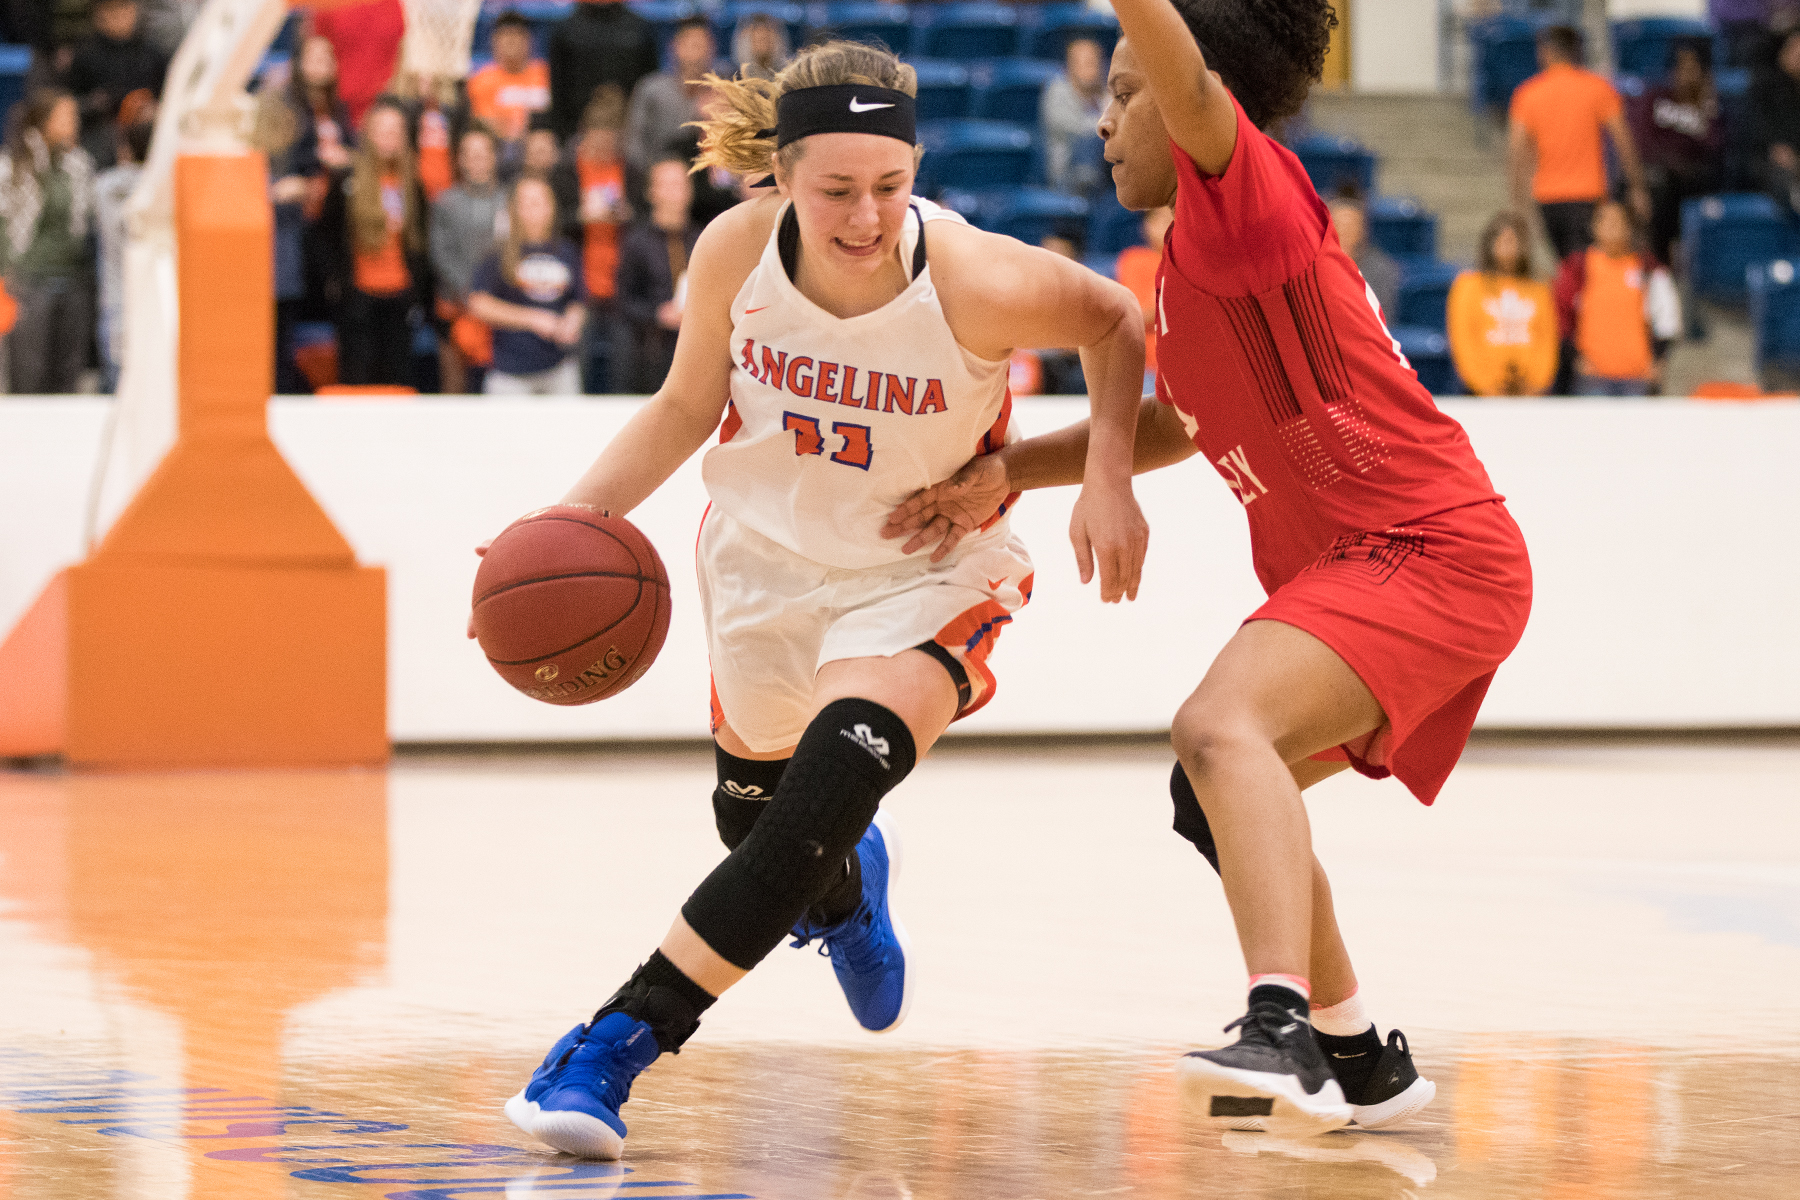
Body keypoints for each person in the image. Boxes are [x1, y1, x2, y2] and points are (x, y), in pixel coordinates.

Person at [492, 39, 1147, 1161]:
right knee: (756, 831)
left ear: (915, 169)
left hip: (923, 573)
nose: (865, 216)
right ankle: (845, 895)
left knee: (825, 786)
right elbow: (683, 405)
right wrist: (555, 531)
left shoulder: (976, 275)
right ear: (781, 173)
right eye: (837, 191)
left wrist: (1099, 475)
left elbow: (1115, 322)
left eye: (889, 187)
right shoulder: (735, 250)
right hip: (764, 565)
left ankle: (614, 1043)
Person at [886, 0, 1532, 1138]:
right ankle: (1357, 1051)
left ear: (1195, 101)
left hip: (1427, 550)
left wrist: (1157, 40)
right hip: (1371, 562)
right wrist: (1009, 474)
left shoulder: (1248, 195)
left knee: (1220, 729)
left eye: (1128, 92)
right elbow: (1178, 421)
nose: (1105, 120)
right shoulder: (1195, 261)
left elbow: (1184, 71)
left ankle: (1275, 1021)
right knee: (1217, 791)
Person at [1508, 25, 1651, 260]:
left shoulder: (1527, 93)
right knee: (1585, 268)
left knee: (1567, 266)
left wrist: (1518, 204)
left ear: (1544, 51)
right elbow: (1623, 141)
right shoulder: (1598, 88)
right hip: (1588, 195)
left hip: (1547, 197)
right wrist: (1637, 187)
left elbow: (1516, 154)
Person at [1, 88, 96, 394]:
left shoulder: (79, 165)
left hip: (72, 280)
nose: (74, 122)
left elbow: (81, 225)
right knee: (29, 373)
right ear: (43, 121)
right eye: (66, 115)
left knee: (67, 374)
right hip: (30, 282)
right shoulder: (13, 166)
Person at [336, 99, 427, 387]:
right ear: (368, 134)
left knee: (398, 382)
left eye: (397, 130)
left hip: (400, 298)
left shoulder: (413, 183)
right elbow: (328, 235)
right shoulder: (347, 180)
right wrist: (336, 284)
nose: (391, 137)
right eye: (383, 130)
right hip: (358, 298)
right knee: (359, 382)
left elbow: (420, 241)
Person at [468, 175, 585, 394]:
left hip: (559, 368)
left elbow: (578, 300)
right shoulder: (498, 254)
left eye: (541, 202)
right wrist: (533, 319)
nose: (535, 210)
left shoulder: (567, 251)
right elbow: (478, 303)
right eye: (528, 203)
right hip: (509, 373)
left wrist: (572, 322)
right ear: (514, 209)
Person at [1553, 199, 1681, 397]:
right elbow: (1561, 315)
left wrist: (1659, 360)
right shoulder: (1579, 267)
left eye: (1619, 220)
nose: (1612, 226)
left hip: (1637, 375)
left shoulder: (1647, 268)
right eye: (1606, 220)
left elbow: (1666, 316)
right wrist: (1575, 357)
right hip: (1593, 375)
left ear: (1629, 228)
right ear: (1594, 227)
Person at [1629, 39, 1724, 266]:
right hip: (1661, 177)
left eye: (1693, 67)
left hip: (1695, 180)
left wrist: (1707, 105)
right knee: (1658, 185)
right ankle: (1661, 264)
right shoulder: (1656, 98)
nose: (1687, 74)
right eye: (1682, 67)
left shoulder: (1710, 106)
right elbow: (1643, 143)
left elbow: (1715, 148)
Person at [431, 124, 507, 394]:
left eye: (483, 153)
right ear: (460, 159)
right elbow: (441, 253)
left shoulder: (508, 200)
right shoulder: (445, 202)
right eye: (469, 154)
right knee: (455, 387)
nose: (476, 160)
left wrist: (491, 296)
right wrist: (469, 294)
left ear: (494, 157)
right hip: (455, 306)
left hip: (500, 308)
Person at [1447, 212, 1556, 397]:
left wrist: (1536, 385)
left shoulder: (1539, 289)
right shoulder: (1468, 286)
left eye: (1514, 239)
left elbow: (1547, 341)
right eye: (1502, 238)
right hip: (1481, 394)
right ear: (1489, 242)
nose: (1508, 245)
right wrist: (1485, 385)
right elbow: (1463, 341)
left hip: (1530, 395)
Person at [614, 157, 696, 392]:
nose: (674, 193)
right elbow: (624, 301)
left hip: (695, 349)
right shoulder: (636, 242)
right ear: (652, 192)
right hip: (650, 354)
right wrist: (657, 314)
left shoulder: (703, 238)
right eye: (666, 185)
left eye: (679, 185)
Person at [571, 87, 631, 392]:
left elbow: (643, 215)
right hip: (582, 280)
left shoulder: (628, 169)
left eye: (611, 141)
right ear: (586, 135)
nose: (605, 148)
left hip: (618, 280)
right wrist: (580, 216)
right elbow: (556, 218)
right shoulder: (570, 169)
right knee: (580, 365)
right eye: (599, 140)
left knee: (621, 368)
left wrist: (626, 214)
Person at [60, 0, 167, 169]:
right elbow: (69, 103)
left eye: (125, 9)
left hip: (145, 129)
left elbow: (167, 96)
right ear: (99, 14)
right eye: (112, 10)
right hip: (101, 129)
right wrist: (93, 103)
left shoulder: (153, 53)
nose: (119, 17)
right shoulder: (85, 55)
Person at [92, 111, 150, 392]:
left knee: (115, 390)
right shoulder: (168, 189)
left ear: (125, 149)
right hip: (153, 303)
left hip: (115, 302)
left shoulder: (103, 186)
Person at [547, 0, 660, 141]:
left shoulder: (641, 29)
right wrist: (565, 137)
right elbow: (558, 89)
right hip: (577, 135)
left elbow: (650, 87)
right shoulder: (565, 30)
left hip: (631, 134)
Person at [624, 16, 720, 176]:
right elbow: (635, 145)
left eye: (705, 46)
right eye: (693, 45)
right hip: (663, 177)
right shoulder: (651, 89)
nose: (699, 54)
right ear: (674, 47)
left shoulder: (726, 89)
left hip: (714, 181)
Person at [467, 10, 551, 162]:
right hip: (501, 154)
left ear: (529, 40)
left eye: (517, 35)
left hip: (541, 152)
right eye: (506, 35)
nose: (511, 41)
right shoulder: (481, 81)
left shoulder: (545, 76)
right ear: (494, 41)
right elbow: (486, 125)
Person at [309, 0, 405, 128]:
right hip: (338, 108)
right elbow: (316, 53)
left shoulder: (392, 5)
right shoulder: (329, 6)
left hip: (382, 108)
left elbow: (399, 51)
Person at [1113, 205, 1172, 388]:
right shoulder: (1134, 259)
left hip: (1184, 365)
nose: (1170, 224)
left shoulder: (1189, 260)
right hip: (1147, 370)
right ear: (1147, 225)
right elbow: (1136, 314)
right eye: (1162, 219)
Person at [1041, 36, 1107, 196]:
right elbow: (1077, 127)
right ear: (1070, 66)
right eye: (1082, 63)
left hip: (1105, 172)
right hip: (1066, 175)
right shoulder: (1057, 91)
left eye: (1092, 62)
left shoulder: (1107, 92)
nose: (1088, 69)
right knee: (1090, 141)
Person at [1325, 192, 1399, 318]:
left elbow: (1382, 320)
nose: (1344, 232)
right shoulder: (1314, 266)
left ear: (1362, 231)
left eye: (1351, 226)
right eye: (1339, 225)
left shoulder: (1381, 269)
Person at [1751, 29, 1800, 215]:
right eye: (1796, 51)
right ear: (1783, 55)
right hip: (1767, 161)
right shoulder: (1765, 88)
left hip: (1796, 159)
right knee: (1783, 177)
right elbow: (1759, 133)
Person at [732, 12, 790, 81]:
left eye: (766, 39)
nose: (762, 45)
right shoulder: (736, 80)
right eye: (758, 40)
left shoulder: (786, 79)